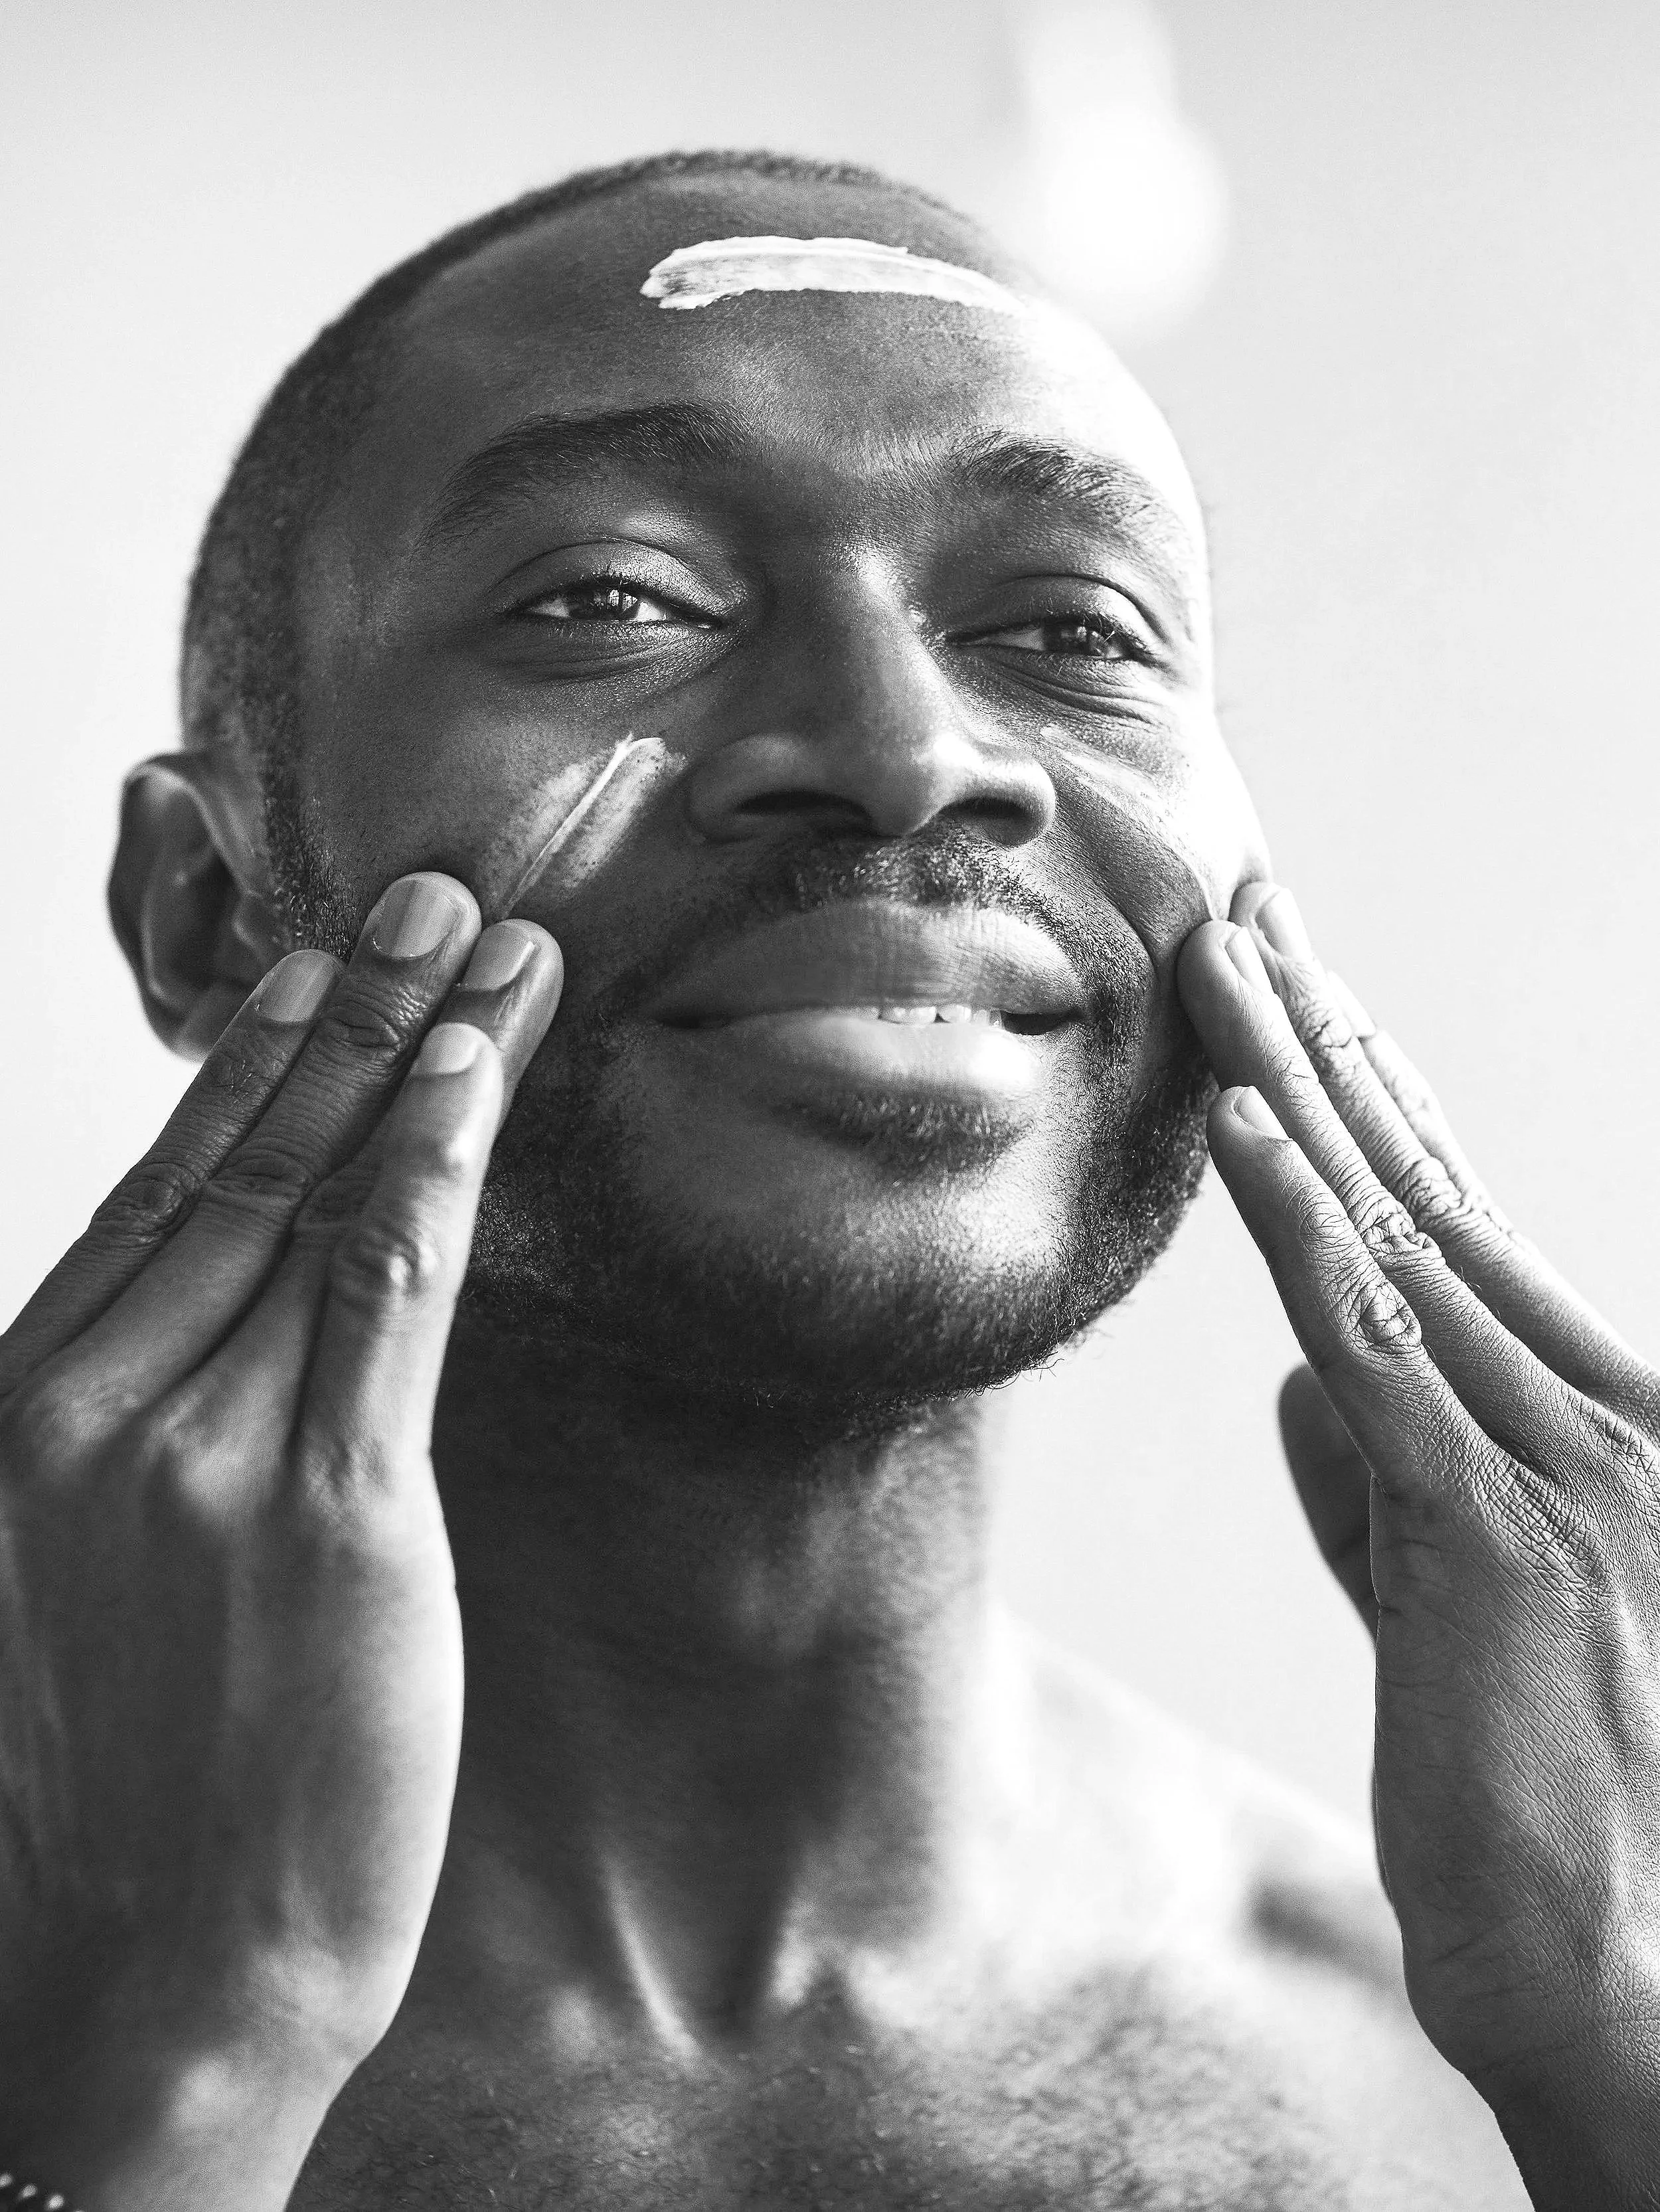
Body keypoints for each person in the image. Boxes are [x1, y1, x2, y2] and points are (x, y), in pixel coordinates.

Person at [1, 149, 1653, 2211]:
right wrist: (168, 2069)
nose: (904, 749)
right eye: (608, 600)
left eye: (1069, 624)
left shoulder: (1495, 2074)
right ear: (206, 913)